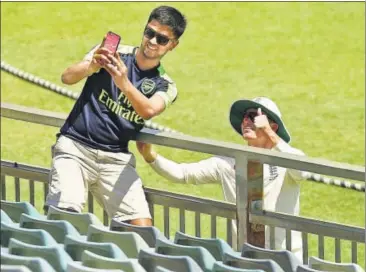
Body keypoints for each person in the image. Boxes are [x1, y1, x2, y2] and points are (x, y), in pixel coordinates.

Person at [45, 6, 187, 227]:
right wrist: (91, 65)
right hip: (75, 148)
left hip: (116, 159)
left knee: (142, 231)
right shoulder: (114, 52)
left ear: (173, 45)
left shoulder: (166, 84)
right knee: (65, 220)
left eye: (162, 39)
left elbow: (148, 110)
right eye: (149, 33)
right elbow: (67, 77)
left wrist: (123, 82)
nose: (152, 41)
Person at [137, 97, 308, 260]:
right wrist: (151, 157)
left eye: (254, 116)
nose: (246, 121)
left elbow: (303, 172)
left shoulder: (286, 159)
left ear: (273, 126)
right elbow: (183, 174)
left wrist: (269, 133)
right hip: (246, 259)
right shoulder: (227, 163)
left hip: (286, 260)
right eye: (245, 117)